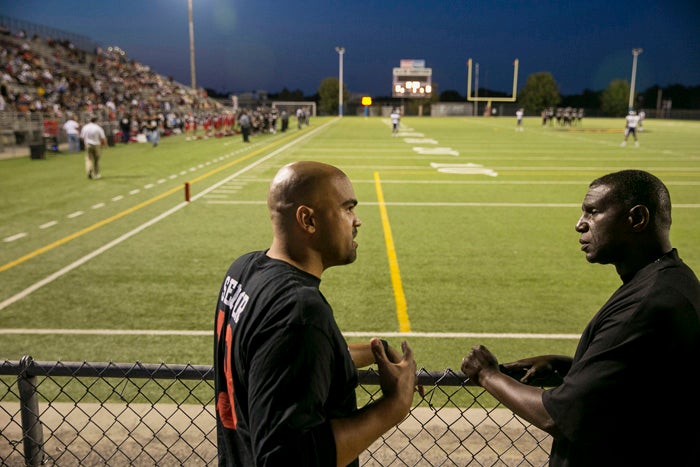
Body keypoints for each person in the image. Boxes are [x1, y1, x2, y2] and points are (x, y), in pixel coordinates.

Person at [460, 169, 700, 467]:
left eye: (593, 212)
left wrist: (487, 375)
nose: (579, 225)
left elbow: (557, 416)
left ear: (637, 219)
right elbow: (644, 380)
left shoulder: (647, 305)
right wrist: (570, 367)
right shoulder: (675, 279)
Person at [214, 161, 417, 466]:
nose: (357, 221)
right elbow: (288, 459)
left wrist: (376, 351)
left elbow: (282, 365)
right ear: (308, 220)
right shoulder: (300, 311)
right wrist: (393, 407)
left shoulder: (243, 270)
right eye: (347, 209)